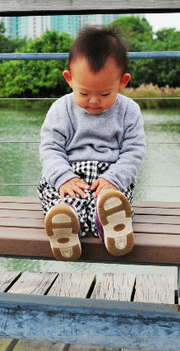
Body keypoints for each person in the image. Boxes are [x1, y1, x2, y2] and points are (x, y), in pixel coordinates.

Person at [38, 25, 146, 261]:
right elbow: (50, 148)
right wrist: (63, 177)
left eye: (105, 94)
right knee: (60, 199)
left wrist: (113, 179)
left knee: (115, 200)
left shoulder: (129, 111)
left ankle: (110, 223)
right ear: (69, 79)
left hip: (110, 178)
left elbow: (133, 152)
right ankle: (66, 223)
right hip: (68, 175)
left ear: (122, 82)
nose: (94, 101)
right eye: (84, 93)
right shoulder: (61, 109)